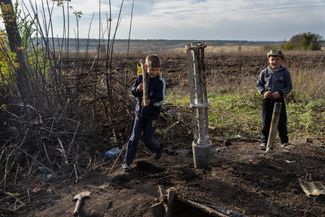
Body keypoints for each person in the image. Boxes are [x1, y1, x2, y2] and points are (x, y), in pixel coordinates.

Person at [122, 54, 166, 172]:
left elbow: (160, 99)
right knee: (134, 137)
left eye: (157, 70)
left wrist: (149, 102)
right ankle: (127, 163)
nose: (154, 72)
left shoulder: (160, 82)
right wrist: (138, 89)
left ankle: (158, 148)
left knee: (147, 139)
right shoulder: (141, 78)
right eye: (152, 69)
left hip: (152, 116)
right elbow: (133, 91)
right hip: (139, 114)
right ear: (146, 67)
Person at [257, 49, 293, 150]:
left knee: (281, 121)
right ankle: (264, 142)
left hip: (279, 100)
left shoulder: (285, 72)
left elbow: (289, 86)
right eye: (272, 59)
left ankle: (284, 142)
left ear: (282, 60)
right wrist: (264, 92)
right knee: (266, 121)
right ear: (268, 60)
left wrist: (280, 93)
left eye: (277, 59)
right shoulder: (264, 72)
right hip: (267, 100)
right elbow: (259, 85)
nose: (274, 61)